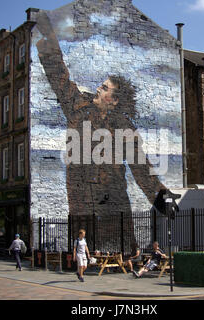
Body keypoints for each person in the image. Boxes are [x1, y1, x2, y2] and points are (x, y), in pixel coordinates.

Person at [35, 12, 166, 248]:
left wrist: (161, 198)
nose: (98, 88)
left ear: (113, 100)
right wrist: (50, 37)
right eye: (101, 84)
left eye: (104, 87)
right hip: (81, 198)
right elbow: (58, 75)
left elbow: (141, 167)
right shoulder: (77, 106)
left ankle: (126, 264)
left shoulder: (124, 126)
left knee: (122, 244)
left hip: (114, 198)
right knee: (84, 243)